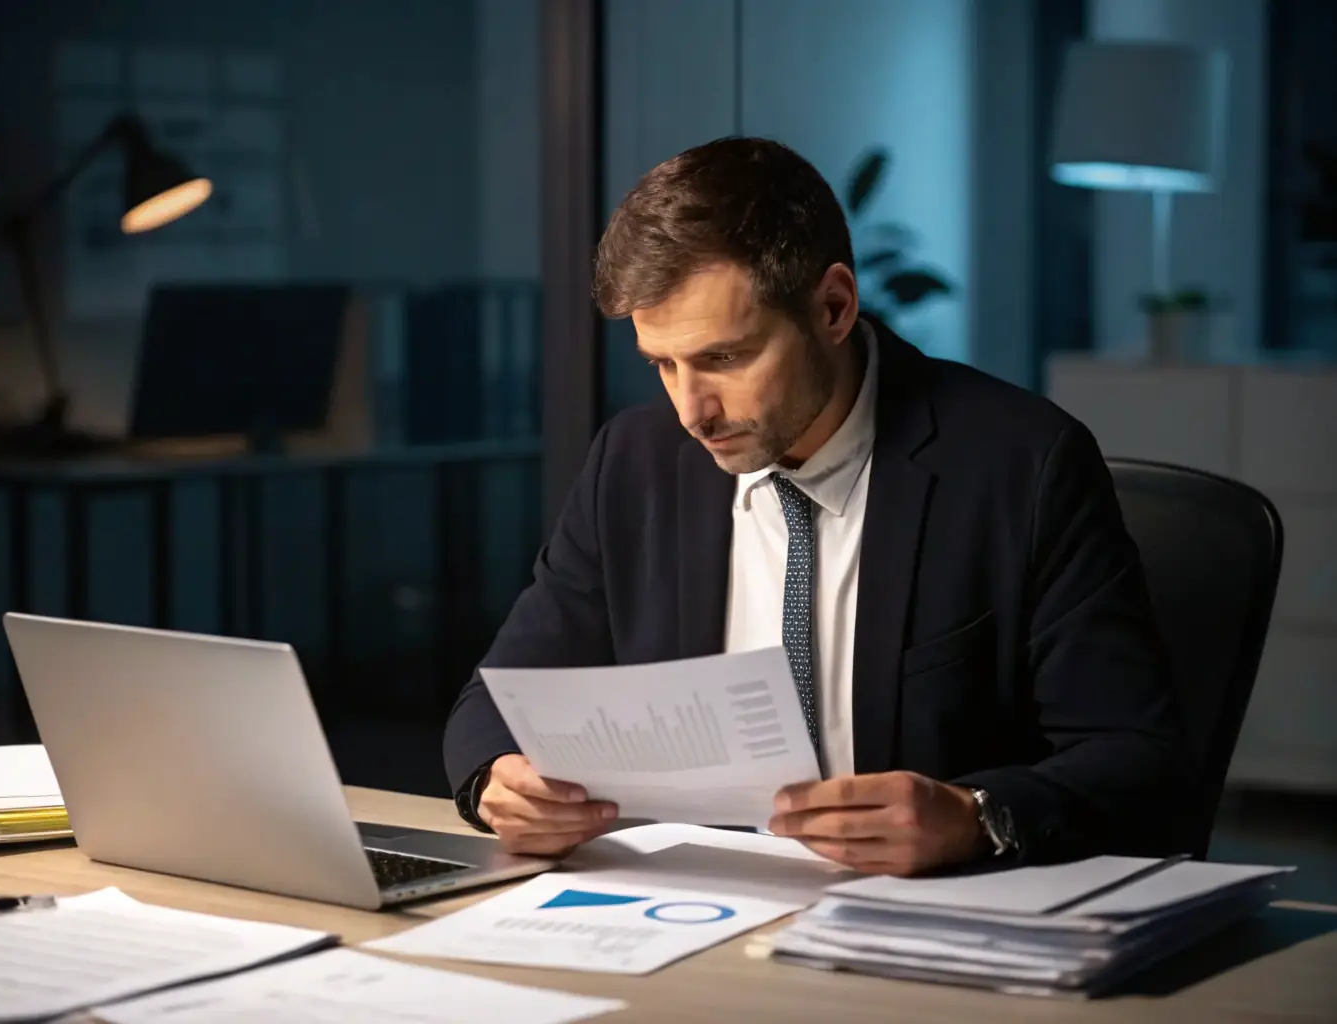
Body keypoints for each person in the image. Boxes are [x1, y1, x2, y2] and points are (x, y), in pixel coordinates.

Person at [443, 136, 1195, 875]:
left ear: (833, 307)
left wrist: (974, 817)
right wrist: (498, 782)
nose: (691, 411)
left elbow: (1138, 761)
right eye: (661, 365)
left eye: (724, 358)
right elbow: (495, 700)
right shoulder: (634, 463)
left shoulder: (1021, 464)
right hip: (685, 909)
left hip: (919, 930)